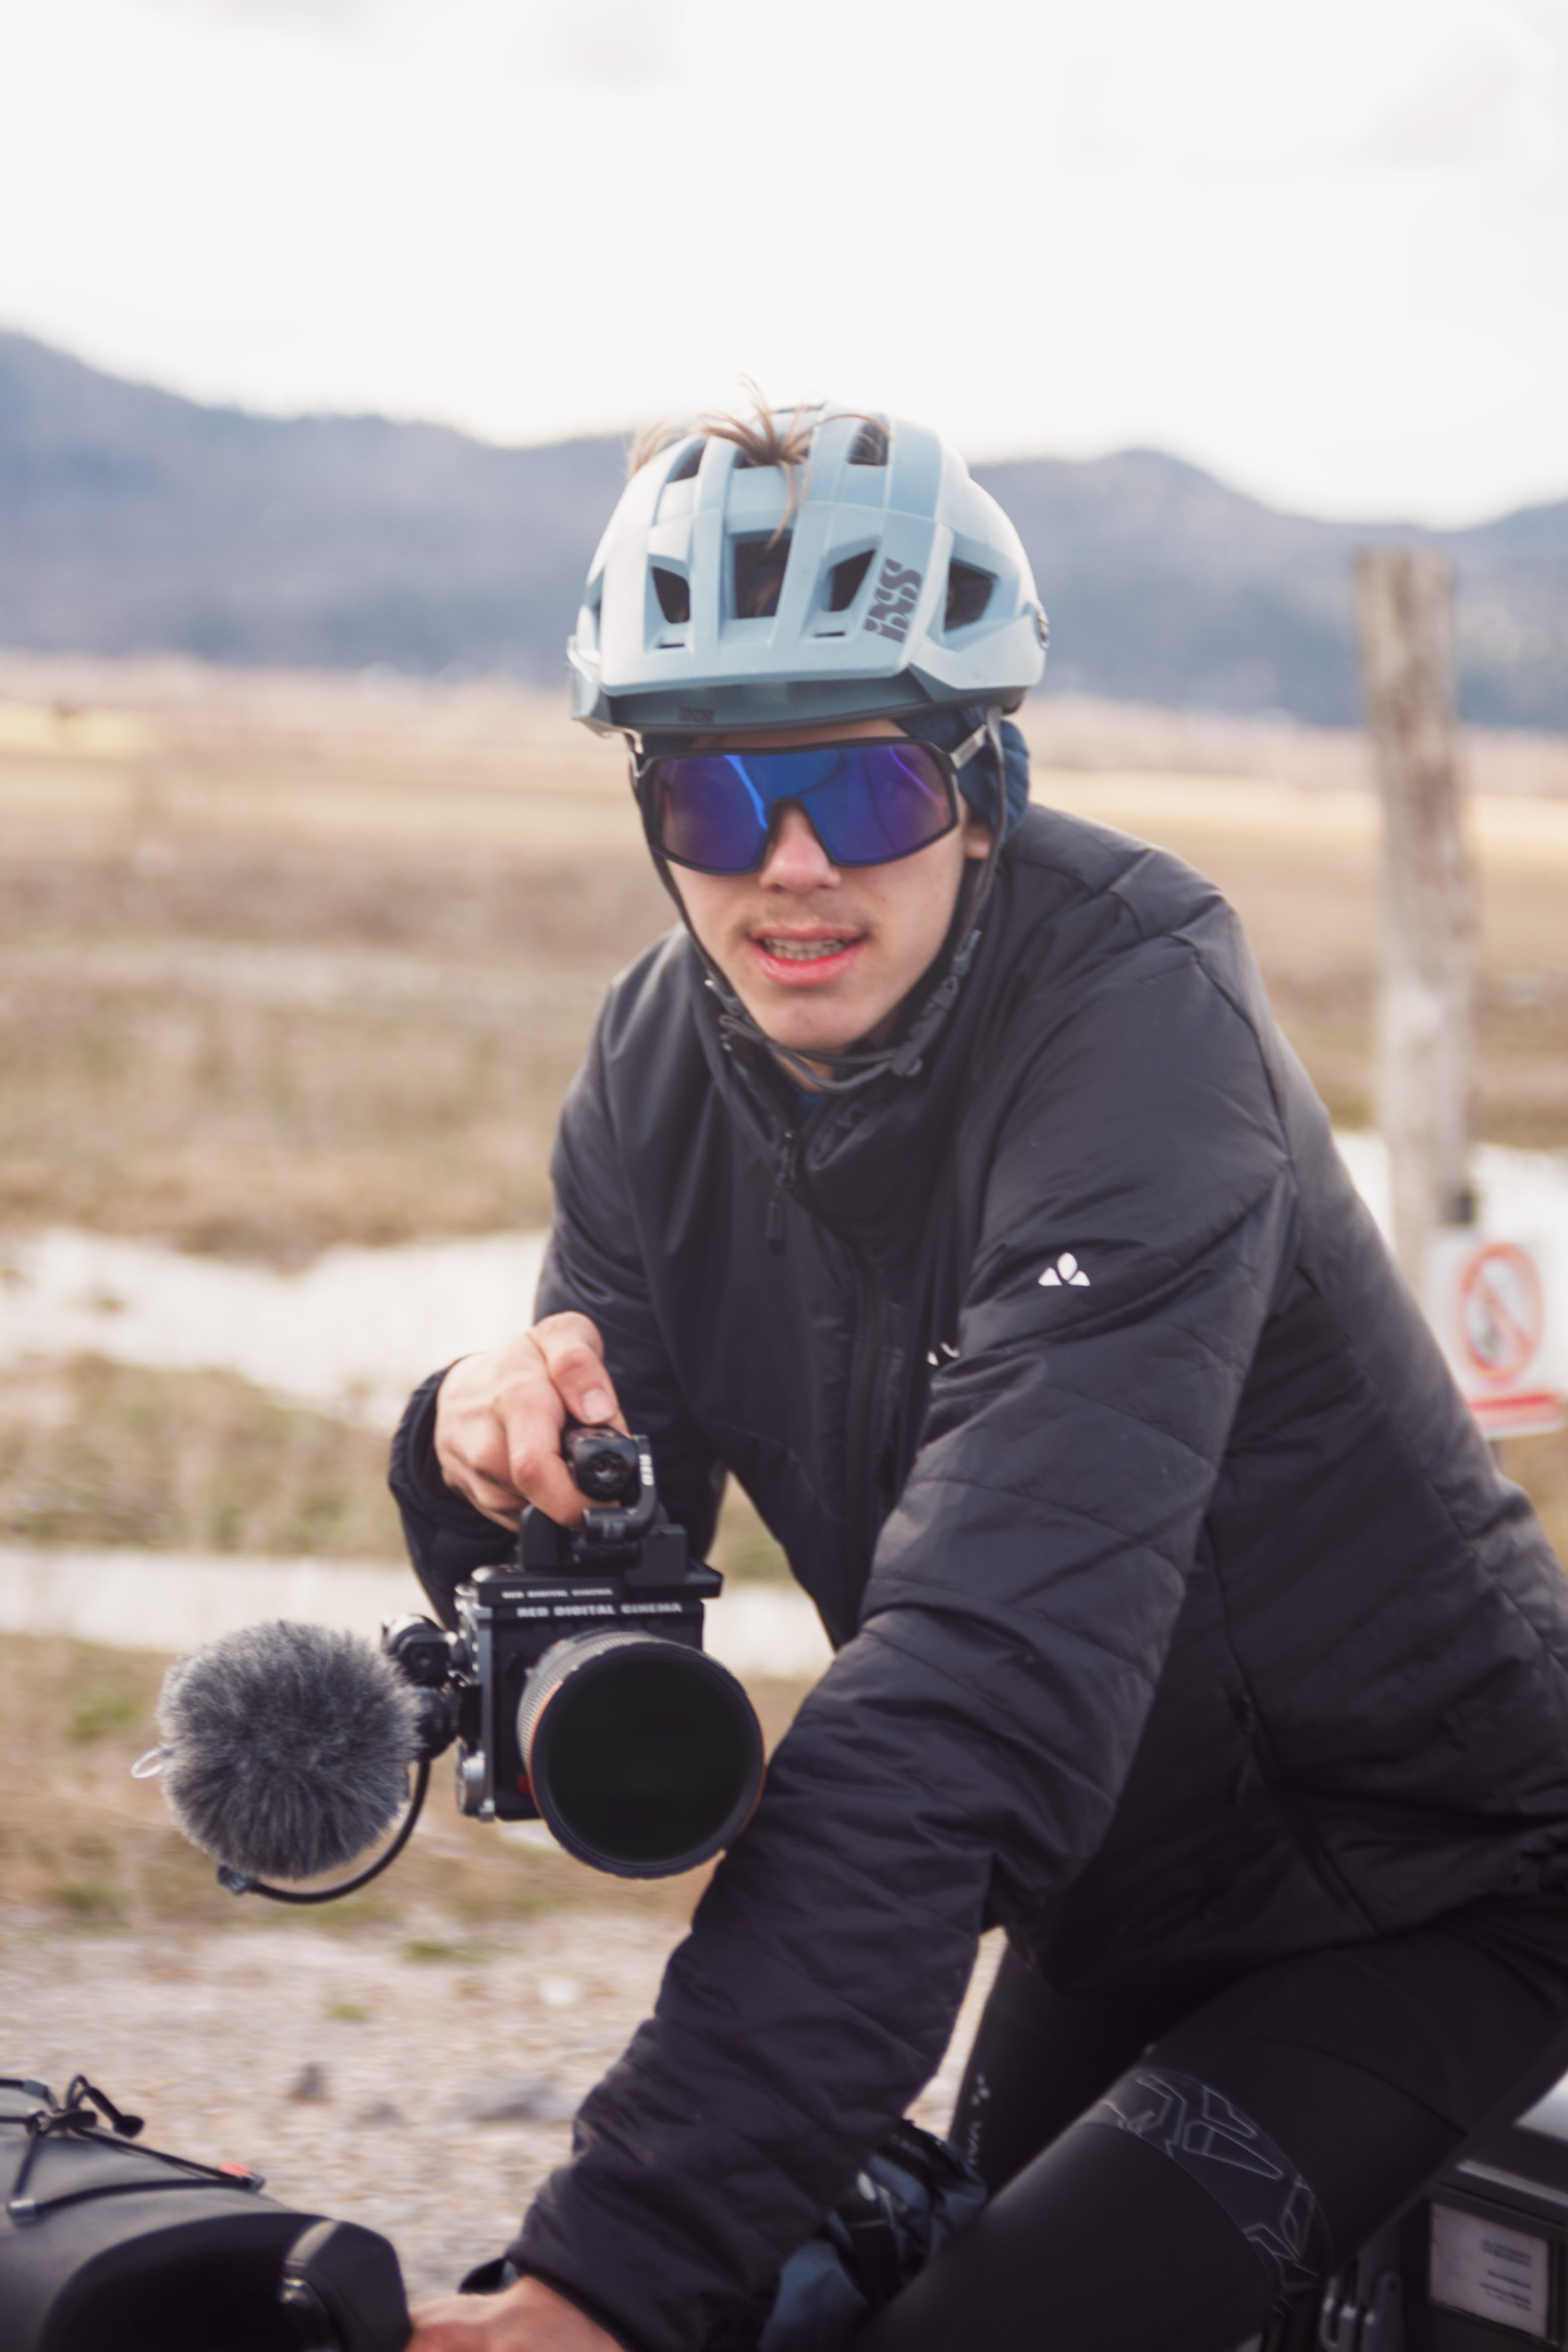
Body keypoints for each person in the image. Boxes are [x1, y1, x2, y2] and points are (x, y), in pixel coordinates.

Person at [391, 403, 1568, 2352]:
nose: (786, 875)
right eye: (708, 800)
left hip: (1425, 1885)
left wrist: (599, 2279)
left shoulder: (1142, 1021)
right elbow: (622, 1594)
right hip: (1116, 1882)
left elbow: (974, 1687)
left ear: (982, 778)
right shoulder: (655, 1069)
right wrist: (477, 1454)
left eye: (856, 793)